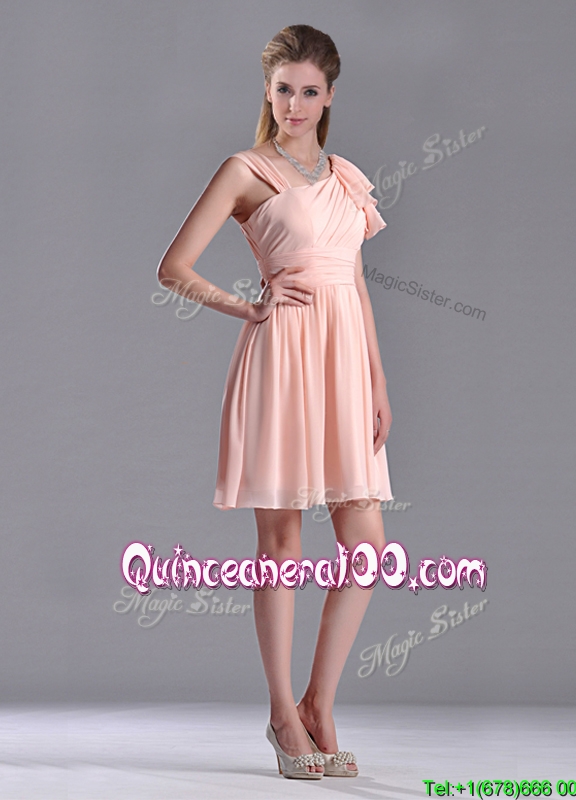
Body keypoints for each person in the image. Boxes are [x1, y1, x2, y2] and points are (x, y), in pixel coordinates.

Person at [157, 24, 393, 781]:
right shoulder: (245, 169)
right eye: (284, 89)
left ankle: (319, 703)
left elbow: (354, 282)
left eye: (309, 91)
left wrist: (378, 382)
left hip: (345, 365)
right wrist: (248, 305)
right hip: (284, 360)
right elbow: (173, 267)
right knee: (282, 546)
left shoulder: (346, 177)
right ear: (268, 90)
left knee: (367, 546)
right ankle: (282, 715)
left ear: (330, 96)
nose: (295, 104)